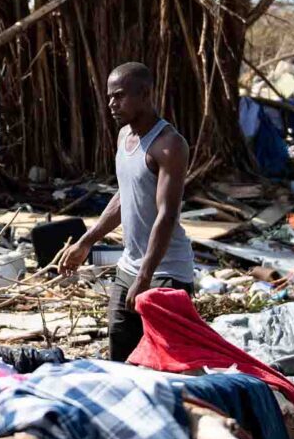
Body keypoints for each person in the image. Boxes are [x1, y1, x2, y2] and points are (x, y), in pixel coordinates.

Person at [61, 62, 195, 362]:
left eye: (119, 96)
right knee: (120, 357)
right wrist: (87, 241)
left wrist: (145, 276)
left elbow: (167, 214)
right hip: (129, 268)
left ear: (145, 94)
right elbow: (126, 195)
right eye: (110, 97)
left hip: (167, 272)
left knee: (169, 363)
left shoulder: (169, 145)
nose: (111, 104)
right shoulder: (124, 136)